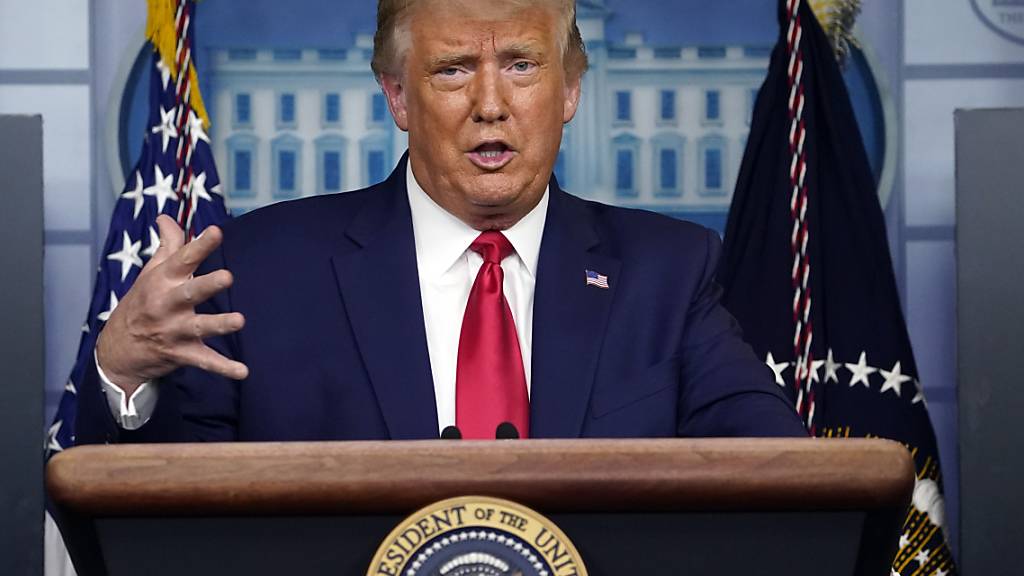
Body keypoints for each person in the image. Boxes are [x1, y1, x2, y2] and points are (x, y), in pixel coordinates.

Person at [77, 0, 806, 444]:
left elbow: (777, 473)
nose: (491, 103)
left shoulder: (668, 273)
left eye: (522, 65)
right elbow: (167, 506)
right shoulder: (258, 273)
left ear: (571, 90)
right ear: (396, 97)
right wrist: (120, 373)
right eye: (453, 69)